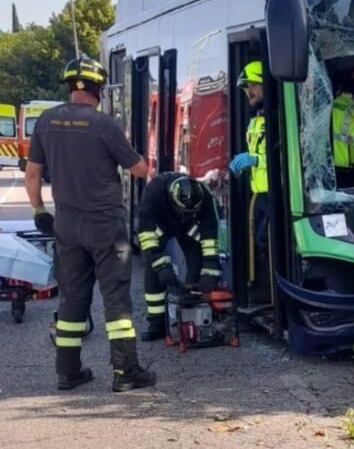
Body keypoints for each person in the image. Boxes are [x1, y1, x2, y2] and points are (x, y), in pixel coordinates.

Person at [25, 57, 156, 392]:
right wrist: (143, 159)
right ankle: (126, 371)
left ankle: (68, 371)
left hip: (67, 222)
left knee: (71, 297)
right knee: (115, 296)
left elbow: (33, 174)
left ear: (70, 86)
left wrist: (40, 209)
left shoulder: (45, 121)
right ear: (98, 88)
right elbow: (139, 170)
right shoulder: (103, 125)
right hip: (105, 224)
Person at [137, 173, 221, 341]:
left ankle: (191, 310)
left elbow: (209, 235)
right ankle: (157, 325)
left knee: (197, 257)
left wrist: (210, 271)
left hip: (186, 226)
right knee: (152, 269)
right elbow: (146, 233)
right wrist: (162, 267)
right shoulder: (154, 191)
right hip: (158, 228)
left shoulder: (203, 195)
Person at [228, 61, 270, 303]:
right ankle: (262, 294)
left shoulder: (277, 117)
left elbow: (287, 159)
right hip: (260, 196)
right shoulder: (255, 120)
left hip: (278, 195)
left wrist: (255, 160)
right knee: (259, 244)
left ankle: (267, 295)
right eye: (245, 87)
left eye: (253, 84)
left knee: (265, 242)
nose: (248, 91)